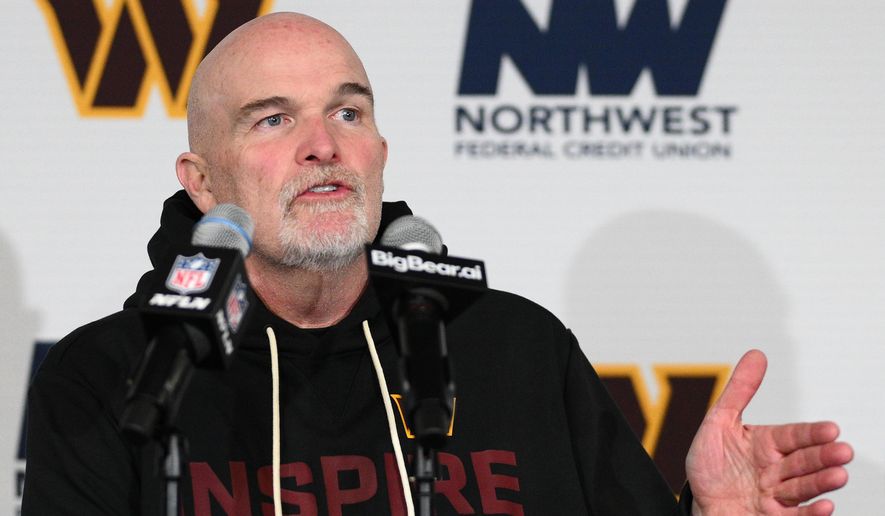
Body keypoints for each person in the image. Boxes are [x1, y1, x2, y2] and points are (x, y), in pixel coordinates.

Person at [22, 12, 852, 515]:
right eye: (271, 120)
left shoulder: (517, 349)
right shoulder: (113, 376)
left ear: (379, 148)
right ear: (202, 183)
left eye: (347, 110)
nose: (323, 145)